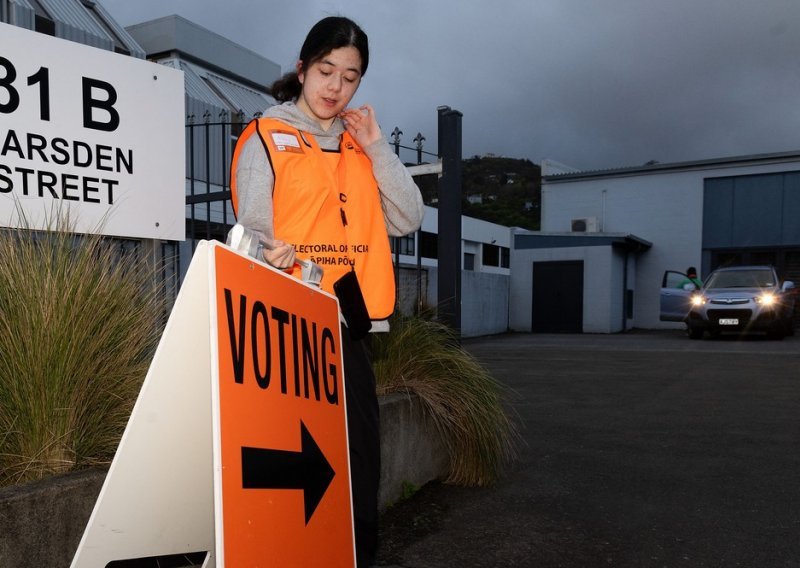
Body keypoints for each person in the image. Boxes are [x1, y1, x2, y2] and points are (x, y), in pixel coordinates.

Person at [229, 15, 424, 567]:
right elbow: (252, 232)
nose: (335, 87)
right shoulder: (266, 135)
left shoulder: (362, 148)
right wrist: (269, 250)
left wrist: (379, 147)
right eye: (326, 70)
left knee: (360, 459)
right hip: (286, 322)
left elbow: (408, 218)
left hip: (352, 322)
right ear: (302, 68)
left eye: (350, 76)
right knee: (287, 462)